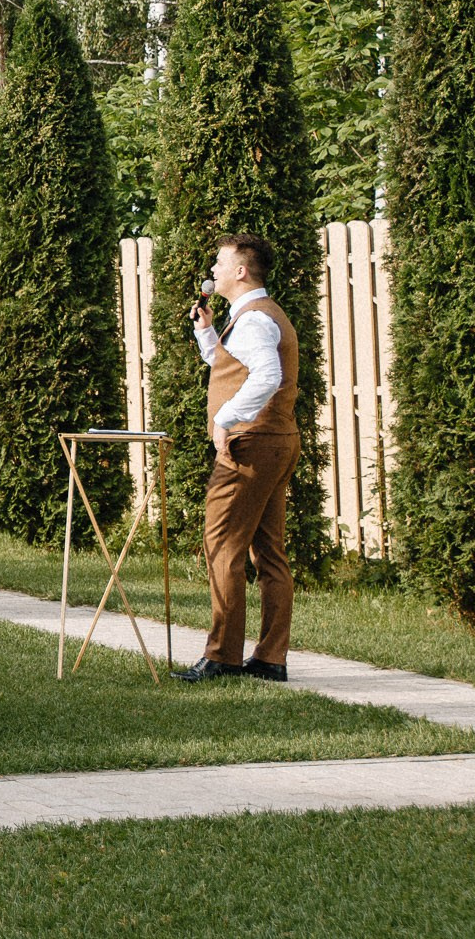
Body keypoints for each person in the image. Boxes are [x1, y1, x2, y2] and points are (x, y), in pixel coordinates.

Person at [174, 232, 302, 684]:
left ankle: (222, 656)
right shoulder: (256, 316)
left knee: (222, 544)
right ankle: (270, 658)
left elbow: (268, 374)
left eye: (220, 263)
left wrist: (226, 418)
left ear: (241, 271)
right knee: (269, 551)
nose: (214, 270)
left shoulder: (253, 320)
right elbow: (235, 366)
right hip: (276, 439)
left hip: (250, 445)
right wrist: (206, 333)